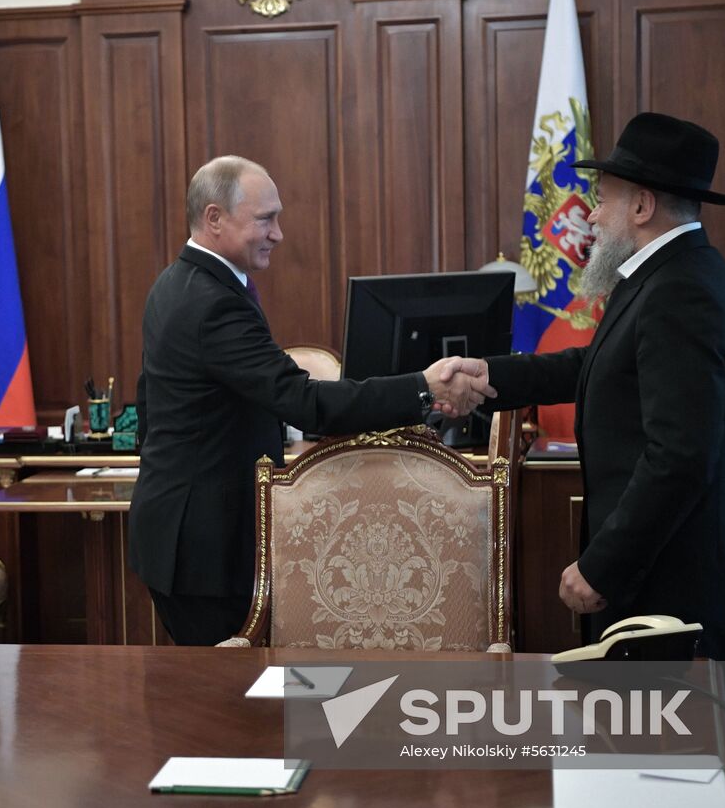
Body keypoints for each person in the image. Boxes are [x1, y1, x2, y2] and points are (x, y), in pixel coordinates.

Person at [460, 112, 725, 663]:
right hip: (669, 561)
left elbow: (679, 457)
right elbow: (601, 363)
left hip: (681, 578)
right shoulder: (669, 274)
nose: (591, 214)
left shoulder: (681, 291)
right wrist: (493, 376)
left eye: (602, 199)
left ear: (642, 206)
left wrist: (602, 564)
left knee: (674, 721)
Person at [129, 155, 493, 646]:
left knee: (233, 688)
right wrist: (423, 386)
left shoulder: (178, 282)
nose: (278, 234)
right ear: (214, 218)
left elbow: (151, 404)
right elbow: (303, 402)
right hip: (203, 550)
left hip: (186, 534)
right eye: (265, 219)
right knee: (226, 691)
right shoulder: (211, 302)